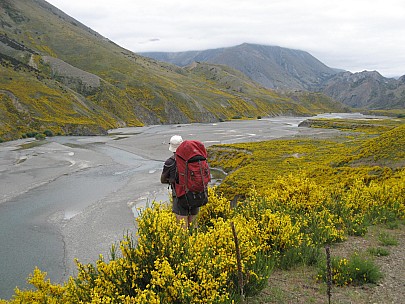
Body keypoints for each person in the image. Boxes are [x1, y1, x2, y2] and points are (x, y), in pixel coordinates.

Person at [161, 135, 199, 229]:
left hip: (179, 196)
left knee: (182, 227)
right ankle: (196, 241)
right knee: (194, 225)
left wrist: (171, 180)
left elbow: (162, 180)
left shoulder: (170, 162)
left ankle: (185, 243)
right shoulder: (193, 159)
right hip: (195, 194)